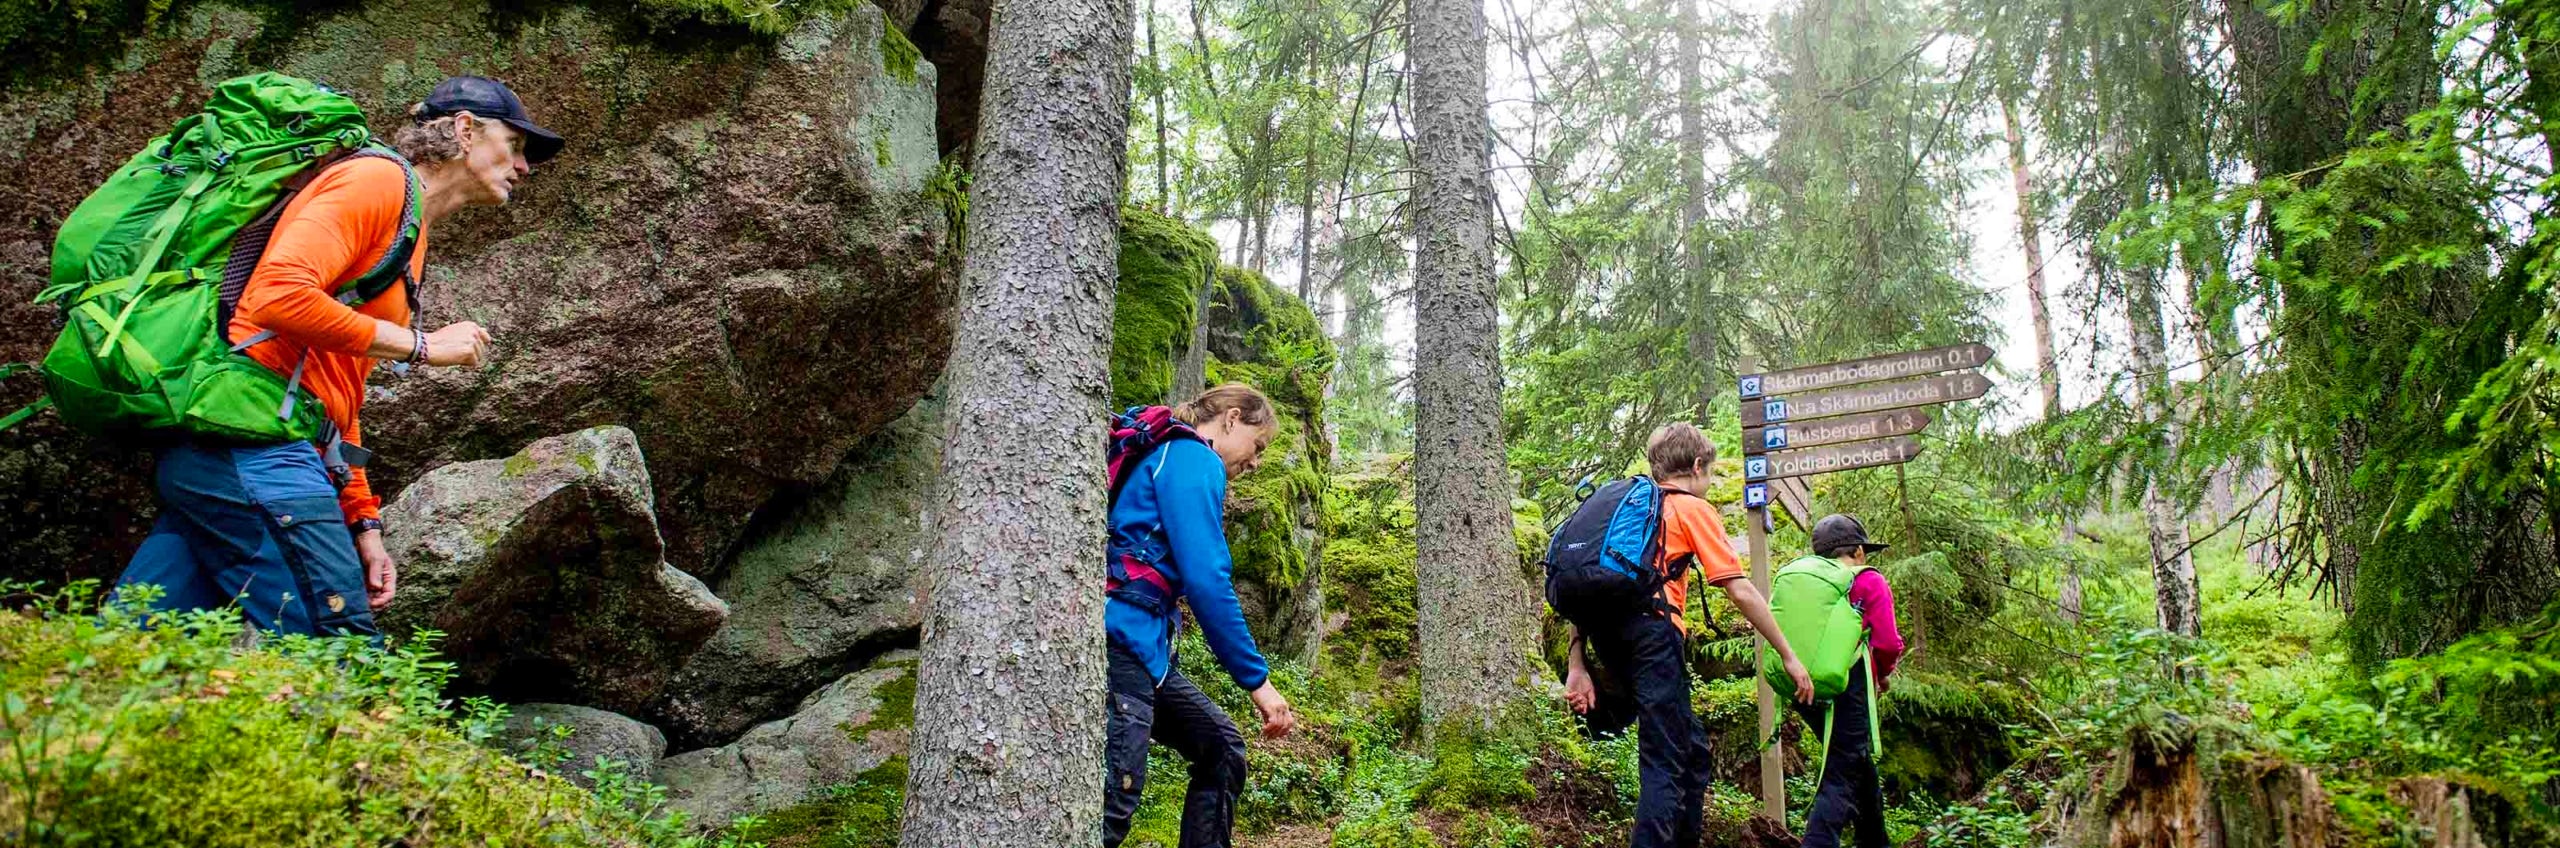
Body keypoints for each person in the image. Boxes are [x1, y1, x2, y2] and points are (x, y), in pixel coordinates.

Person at [113, 76, 562, 637]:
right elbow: (277, 297)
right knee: (337, 647)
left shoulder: (409, 229)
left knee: (133, 644)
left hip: (232, 449)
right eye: (516, 145)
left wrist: (363, 520)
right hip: (253, 440)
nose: (524, 167)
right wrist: (424, 346)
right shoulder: (374, 181)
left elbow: (336, 385)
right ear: (466, 130)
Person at [1562, 422, 1816, 848]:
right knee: (1666, 760)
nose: (1709, 480)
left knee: (1693, 752)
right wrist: (1788, 654)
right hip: (1654, 636)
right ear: (1697, 466)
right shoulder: (1691, 508)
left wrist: (1577, 664)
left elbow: (1586, 589)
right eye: (1710, 472)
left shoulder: (1626, 510)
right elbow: (1737, 587)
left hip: (1609, 637)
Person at [1101, 384, 1298, 848]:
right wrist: (1259, 684)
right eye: (1258, 445)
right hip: (1120, 642)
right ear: (1231, 419)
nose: (1256, 462)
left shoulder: (1170, 456)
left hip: (1143, 651)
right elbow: (1208, 581)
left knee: (1221, 748)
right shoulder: (1192, 458)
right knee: (1112, 801)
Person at [1788, 514, 1906, 848]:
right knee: (1841, 770)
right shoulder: (1868, 580)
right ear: (1856, 551)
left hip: (1804, 686)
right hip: (1847, 684)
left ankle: (1874, 840)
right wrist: (1881, 676)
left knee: (1856, 761)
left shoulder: (1806, 578)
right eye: (1864, 551)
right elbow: (1886, 642)